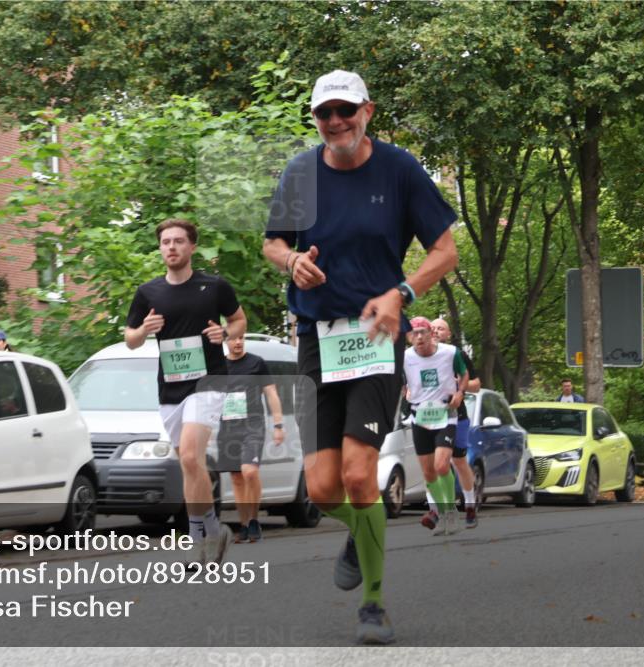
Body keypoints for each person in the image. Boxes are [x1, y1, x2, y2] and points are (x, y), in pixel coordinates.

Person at [262, 69, 458, 645]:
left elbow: (445, 250)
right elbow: (273, 241)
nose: (336, 121)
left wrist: (403, 294)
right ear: (316, 119)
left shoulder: (399, 169)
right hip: (317, 338)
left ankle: (373, 604)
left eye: (345, 110)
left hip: (376, 335)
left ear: (367, 111)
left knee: (357, 473)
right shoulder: (300, 173)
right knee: (323, 489)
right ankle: (363, 524)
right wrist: (291, 262)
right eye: (324, 113)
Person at [125, 218, 247, 568]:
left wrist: (225, 333)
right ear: (160, 248)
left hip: (208, 382)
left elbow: (239, 320)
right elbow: (130, 339)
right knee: (189, 465)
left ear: (192, 247)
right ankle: (215, 531)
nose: (172, 247)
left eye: (179, 241)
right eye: (166, 242)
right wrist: (144, 330)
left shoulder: (214, 286)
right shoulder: (148, 292)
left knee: (192, 458)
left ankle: (197, 542)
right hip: (170, 387)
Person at [217, 333, 285, 543]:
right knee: (237, 478)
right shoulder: (219, 366)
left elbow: (271, 393)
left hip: (252, 425)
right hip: (228, 426)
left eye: (240, 338)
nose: (238, 342)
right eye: (233, 339)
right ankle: (244, 524)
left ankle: (254, 519)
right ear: (225, 341)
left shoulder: (256, 363)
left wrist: (278, 425)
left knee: (250, 471)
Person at [406, 317, 468, 537]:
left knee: (442, 465)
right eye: (414, 334)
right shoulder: (405, 357)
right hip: (420, 416)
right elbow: (399, 380)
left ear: (431, 334)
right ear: (409, 337)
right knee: (428, 472)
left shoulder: (450, 353)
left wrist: (460, 393)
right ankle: (441, 513)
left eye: (423, 332)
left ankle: (451, 511)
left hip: (445, 414)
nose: (419, 337)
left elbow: (464, 374)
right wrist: (405, 390)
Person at [430, 318, 481, 528]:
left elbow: (476, 385)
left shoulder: (457, 355)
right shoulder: (420, 356)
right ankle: (435, 510)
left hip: (457, 416)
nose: (435, 331)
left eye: (440, 328)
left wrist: (459, 384)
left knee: (459, 461)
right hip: (430, 417)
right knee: (433, 463)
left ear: (448, 334)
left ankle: (469, 504)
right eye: (432, 328)